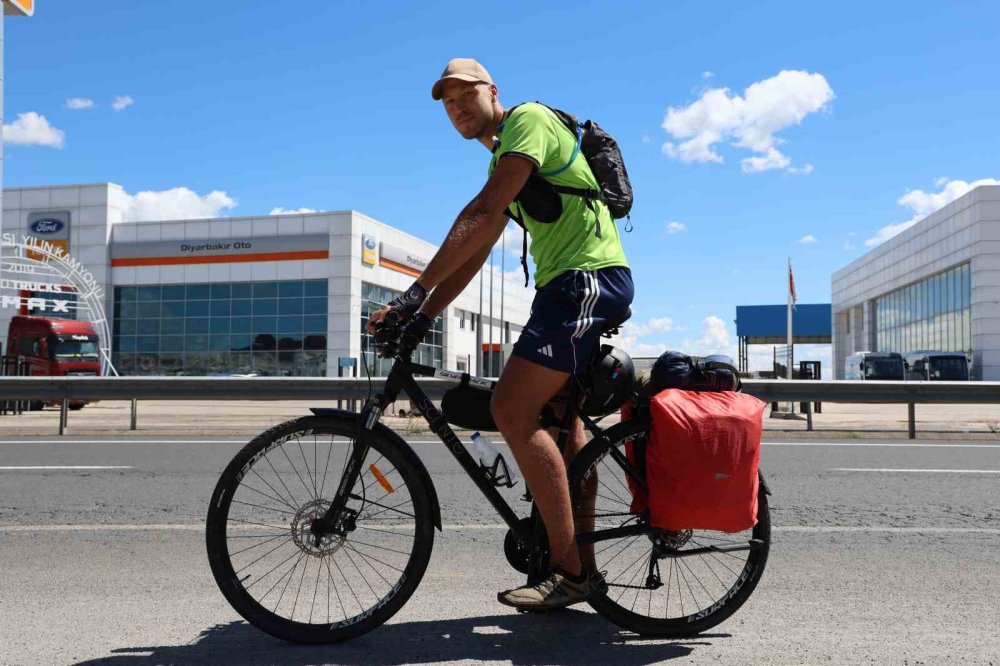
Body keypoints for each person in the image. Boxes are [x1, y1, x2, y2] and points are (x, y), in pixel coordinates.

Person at [366, 58, 633, 610]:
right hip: (570, 286)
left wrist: (413, 293)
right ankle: (581, 565)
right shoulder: (503, 160)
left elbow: (482, 214)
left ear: (493, 91)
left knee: (513, 410)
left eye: (466, 94)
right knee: (562, 432)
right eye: (447, 102)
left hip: (586, 281)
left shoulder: (528, 122)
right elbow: (475, 253)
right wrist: (424, 315)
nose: (458, 107)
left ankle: (569, 572)